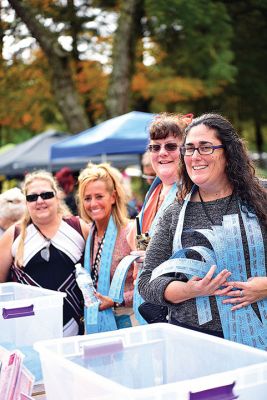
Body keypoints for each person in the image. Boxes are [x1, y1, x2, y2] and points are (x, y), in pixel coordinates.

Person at [138, 113, 267, 350]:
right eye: (189, 149)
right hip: (193, 344)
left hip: (258, 341)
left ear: (228, 152)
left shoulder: (262, 198)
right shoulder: (174, 213)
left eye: (205, 148)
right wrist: (189, 290)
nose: (195, 156)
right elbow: (146, 282)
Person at [0, 170, 89, 336]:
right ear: (26, 203)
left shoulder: (79, 227)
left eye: (46, 195)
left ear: (57, 196)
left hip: (75, 329)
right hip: (28, 330)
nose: (40, 201)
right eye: (32, 197)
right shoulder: (13, 235)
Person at [127, 112, 193, 324]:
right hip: (146, 296)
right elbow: (143, 236)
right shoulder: (153, 192)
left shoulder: (192, 192)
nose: (161, 153)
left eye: (171, 146)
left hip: (177, 305)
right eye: (155, 147)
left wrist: (155, 257)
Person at [77, 162, 135, 333]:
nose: (93, 203)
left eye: (99, 196)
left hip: (130, 322)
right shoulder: (89, 234)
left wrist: (116, 300)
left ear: (113, 197)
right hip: (97, 320)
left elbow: (148, 281)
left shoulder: (132, 230)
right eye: (87, 198)